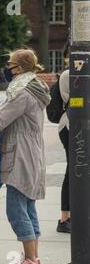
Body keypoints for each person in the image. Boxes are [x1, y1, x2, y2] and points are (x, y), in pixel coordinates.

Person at [0, 49, 51, 264]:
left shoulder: (21, 93)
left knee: (16, 208)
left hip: (20, 154)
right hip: (31, 151)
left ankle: (31, 258)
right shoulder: (33, 87)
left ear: (20, 69)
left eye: (11, 65)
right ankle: (33, 257)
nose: (8, 69)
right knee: (27, 206)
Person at [57, 68, 71, 233]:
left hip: (77, 126)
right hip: (70, 126)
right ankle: (64, 218)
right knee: (74, 170)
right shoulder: (70, 74)